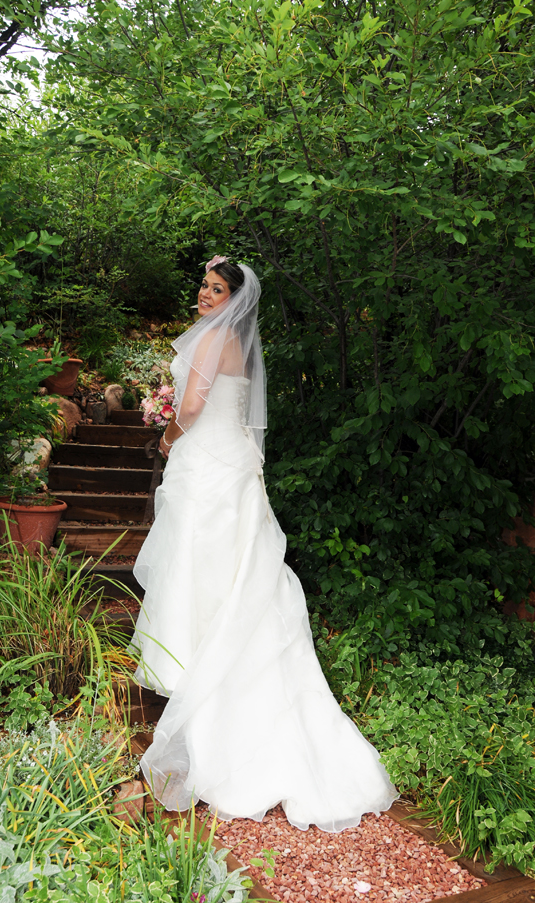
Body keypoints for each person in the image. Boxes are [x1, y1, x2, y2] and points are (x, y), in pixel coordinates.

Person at [131, 256, 397, 832]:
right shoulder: (242, 343)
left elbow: (195, 408)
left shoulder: (213, 339)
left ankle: (202, 693)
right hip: (232, 471)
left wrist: (167, 431)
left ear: (235, 297)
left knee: (202, 574)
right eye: (203, 285)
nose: (205, 293)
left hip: (207, 471)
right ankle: (222, 689)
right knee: (238, 580)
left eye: (217, 287)